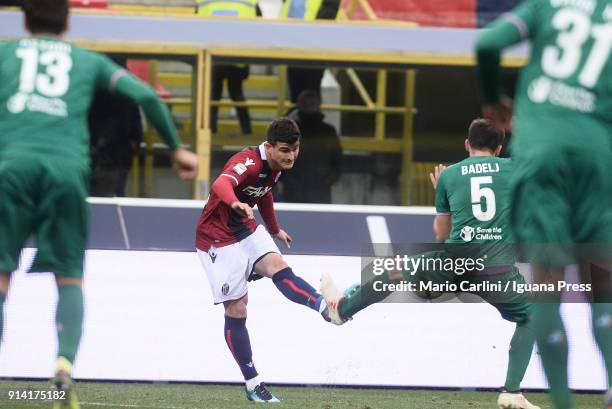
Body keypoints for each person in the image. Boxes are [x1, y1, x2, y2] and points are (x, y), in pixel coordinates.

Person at [0, 1, 198, 408]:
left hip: (11, 168)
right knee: (69, 277)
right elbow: (146, 97)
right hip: (67, 172)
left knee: (1, 277)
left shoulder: (5, 53)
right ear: (68, 21)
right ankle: (63, 366)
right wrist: (176, 149)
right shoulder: (87, 61)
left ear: (23, 18)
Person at [322, 119, 540, 409]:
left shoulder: (449, 175)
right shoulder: (513, 168)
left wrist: (444, 191)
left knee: (395, 272)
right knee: (532, 316)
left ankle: (342, 310)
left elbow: (441, 234)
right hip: (496, 270)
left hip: (454, 263)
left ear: (466, 144)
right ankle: (511, 392)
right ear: (499, 148)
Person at [475, 1, 612, 408]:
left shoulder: (546, 6)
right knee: (605, 283)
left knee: (547, 286)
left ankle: (562, 403)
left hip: (541, 152)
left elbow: (487, 43)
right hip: (596, 154)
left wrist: (492, 100)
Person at [195, 118, 330, 403]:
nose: (291, 155)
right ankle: (253, 382)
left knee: (279, 268)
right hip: (216, 236)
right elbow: (221, 182)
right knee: (237, 309)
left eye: (295, 149)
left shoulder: (274, 168)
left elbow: (264, 194)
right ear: (268, 147)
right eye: (284, 150)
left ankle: (323, 306)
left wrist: (274, 228)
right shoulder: (249, 161)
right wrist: (235, 203)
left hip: (245, 226)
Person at [196, 0, 261, 135]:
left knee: (213, 96)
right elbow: (259, 23)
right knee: (237, 94)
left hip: (213, 55)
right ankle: (247, 132)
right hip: (238, 55)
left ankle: (209, 133)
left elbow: (195, 24)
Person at [88, 57, 143, 197]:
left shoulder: (93, 86)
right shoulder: (129, 87)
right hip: (113, 155)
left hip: (107, 155)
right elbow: (136, 124)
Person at [283, 90, 342, 203]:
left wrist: (325, 182)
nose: (309, 108)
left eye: (312, 105)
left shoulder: (328, 131)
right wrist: (289, 181)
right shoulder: (289, 130)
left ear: (318, 106)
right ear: (299, 106)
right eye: (306, 105)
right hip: (293, 193)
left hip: (319, 193)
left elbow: (338, 162)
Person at [280, 0, 340, 102]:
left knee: (310, 96)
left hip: (313, 50)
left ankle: (308, 116)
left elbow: (329, 14)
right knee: (296, 95)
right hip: (293, 48)